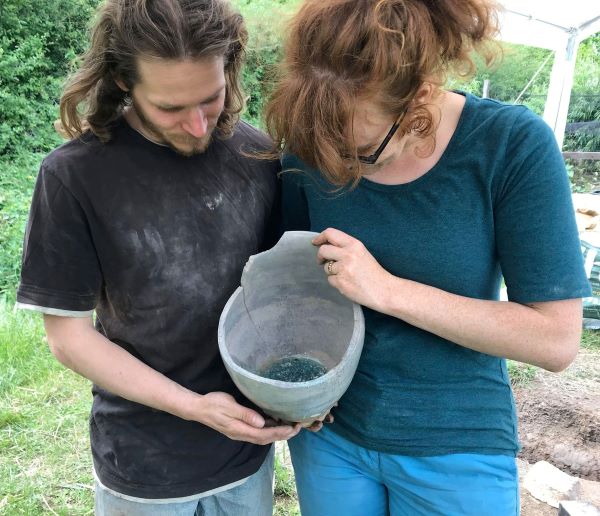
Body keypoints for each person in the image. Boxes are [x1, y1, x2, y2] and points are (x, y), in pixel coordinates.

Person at [264, 0, 592, 514]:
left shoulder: (510, 145)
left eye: (360, 153)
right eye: (325, 150)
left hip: (456, 439)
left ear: (421, 96)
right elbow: (294, 287)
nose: (339, 167)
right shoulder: (317, 140)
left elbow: (555, 340)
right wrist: (296, 391)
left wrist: (389, 291)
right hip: (330, 433)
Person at [15, 0, 303, 514]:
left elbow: (281, 295)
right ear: (123, 81)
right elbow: (68, 338)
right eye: (171, 108)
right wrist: (194, 408)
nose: (197, 125)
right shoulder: (73, 176)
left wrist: (298, 392)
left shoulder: (256, 155)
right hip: (143, 461)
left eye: (211, 99)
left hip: (247, 452)